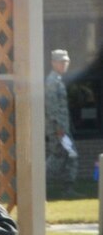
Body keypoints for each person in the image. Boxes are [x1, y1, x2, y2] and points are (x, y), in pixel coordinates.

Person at [45, 49, 77, 188]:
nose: (64, 64)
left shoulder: (57, 80)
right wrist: (59, 128)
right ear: (53, 63)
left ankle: (66, 186)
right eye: (61, 62)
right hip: (58, 128)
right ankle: (41, 181)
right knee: (64, 155)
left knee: (66, 155)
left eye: (66, 61)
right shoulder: (52, 81)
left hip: (62, 127)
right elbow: (52, 107)